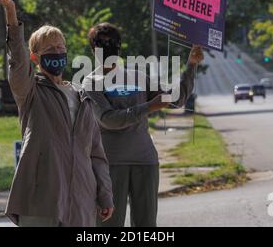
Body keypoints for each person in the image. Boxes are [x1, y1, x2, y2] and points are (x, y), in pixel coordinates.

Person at [0, 0, 114, 227]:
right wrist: (11, 16)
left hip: (81, 203)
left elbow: (96, 154)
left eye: (60, 48)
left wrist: (105, 194)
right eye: (48, 49)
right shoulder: (29, 90)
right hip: (41, 202)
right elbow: (17, 61)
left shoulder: (82, 96)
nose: (56, 53)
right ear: (35, 58)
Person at [82, 22, 204, 227]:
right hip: (110, 165)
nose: (109, 47)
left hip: (145, 162)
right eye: (102, 44)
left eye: (113, 42)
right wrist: (149, 107)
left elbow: (177, 99)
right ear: (93, 49)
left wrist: (191, 65)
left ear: (120, 46)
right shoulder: (90, 82)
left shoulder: (137, 76)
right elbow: (108, 119)